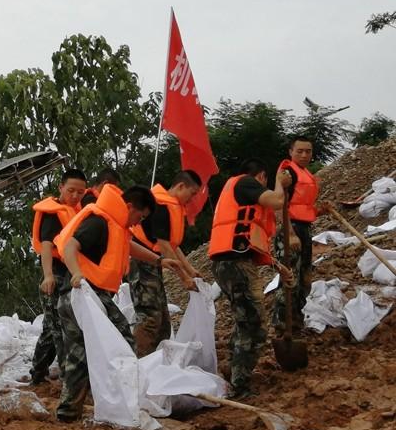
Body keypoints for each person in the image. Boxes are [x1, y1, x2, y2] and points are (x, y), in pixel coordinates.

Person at [53, 184, 187, 422]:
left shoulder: (117, 225)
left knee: (104, 346)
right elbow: (71, 246)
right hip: (79, 296)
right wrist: (75, 274)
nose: (137, 222)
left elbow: (130, 247)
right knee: (88, 352)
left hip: (96, 296)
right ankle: (73, 412)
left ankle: (104, 402)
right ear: (128, 207)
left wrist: (159, 260)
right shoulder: (99, 221)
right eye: (139, 216)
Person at [208, 159, 293, 400]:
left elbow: (251, 243)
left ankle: (235, 373)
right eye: (267, 181)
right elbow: (277, 201)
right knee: (254, 326)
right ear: (262, 177)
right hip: (235, 265)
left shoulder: (239, 198)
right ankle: (240, 384)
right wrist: (281, 182)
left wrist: (279, 267)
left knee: (244, 321)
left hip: (231, 264)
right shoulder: (246, 183)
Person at [128, 170, 204, 355]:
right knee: (150, 318)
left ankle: (159, 364)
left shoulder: (173, 207)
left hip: (154, 264)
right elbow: (163, 246)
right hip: (142, 263)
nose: (191, 198)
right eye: (192, 193)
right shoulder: (160, 205)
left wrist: (190, 269)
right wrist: (184, 278)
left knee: (162, 320)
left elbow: (173, 245)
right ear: (181, 186)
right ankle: (139, 364)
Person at [29, 169, 87, 384]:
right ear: (61, 187)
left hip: (69, 272)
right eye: (71, 190)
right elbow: (46, 247)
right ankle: (68, 378)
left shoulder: (78, 210)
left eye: (80, 193)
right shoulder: (54, 213)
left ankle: (37, 372)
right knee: (61, 328)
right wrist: (48, 276)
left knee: (51, 326)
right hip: (55, 273)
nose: (75, 196)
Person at [272, 136, 325, 335]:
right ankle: (281, 322)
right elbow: (279, 206)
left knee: (305, 277)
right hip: (290, 228)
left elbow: (302, 207)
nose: (304, 155)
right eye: (300, 151)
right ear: (291, 152)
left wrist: (320, 211)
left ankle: (295, 320)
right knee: (289, 277)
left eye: (308, 151)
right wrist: (290, 234)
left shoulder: (306, 174)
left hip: (304, 228)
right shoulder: (287, 173)